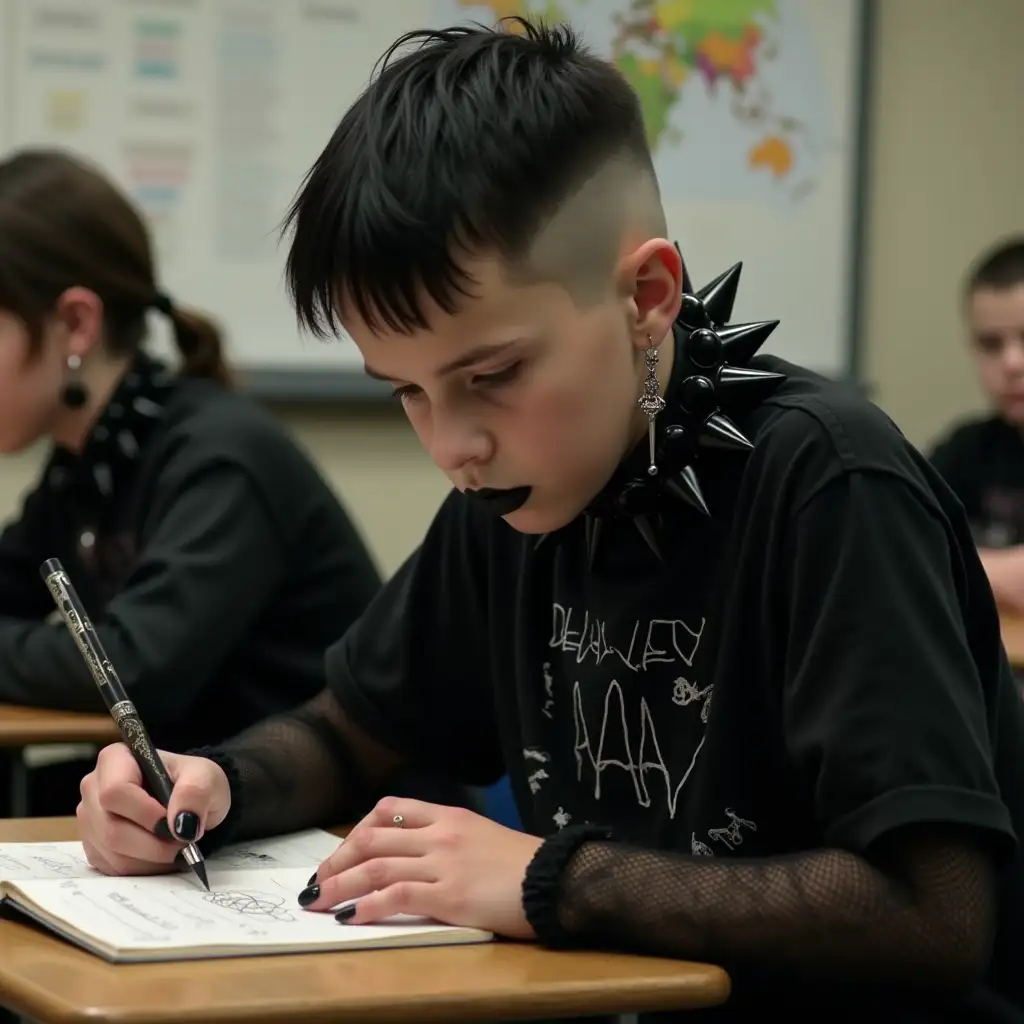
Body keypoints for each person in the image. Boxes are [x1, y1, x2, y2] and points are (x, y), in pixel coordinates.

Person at [74, 19, 1023, 1020]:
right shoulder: (517, 488)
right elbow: (352, 731)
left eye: (491, 376)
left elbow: (932, 917)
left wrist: (548, 879)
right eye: (407, 392)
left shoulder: (828, 481)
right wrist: (208, 785)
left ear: (646, 295)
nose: (451, 446)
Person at [0, 148, 387, 817]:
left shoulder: (219, 457)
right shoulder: (87, 462)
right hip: (200, 797)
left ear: (76, 324)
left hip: (327, 822)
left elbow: (133, 670)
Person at [930, 238, 1024, 613]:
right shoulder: (969, 447)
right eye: (991, 344)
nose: (1012, 363)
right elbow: (897, 547)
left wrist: (957, 566)